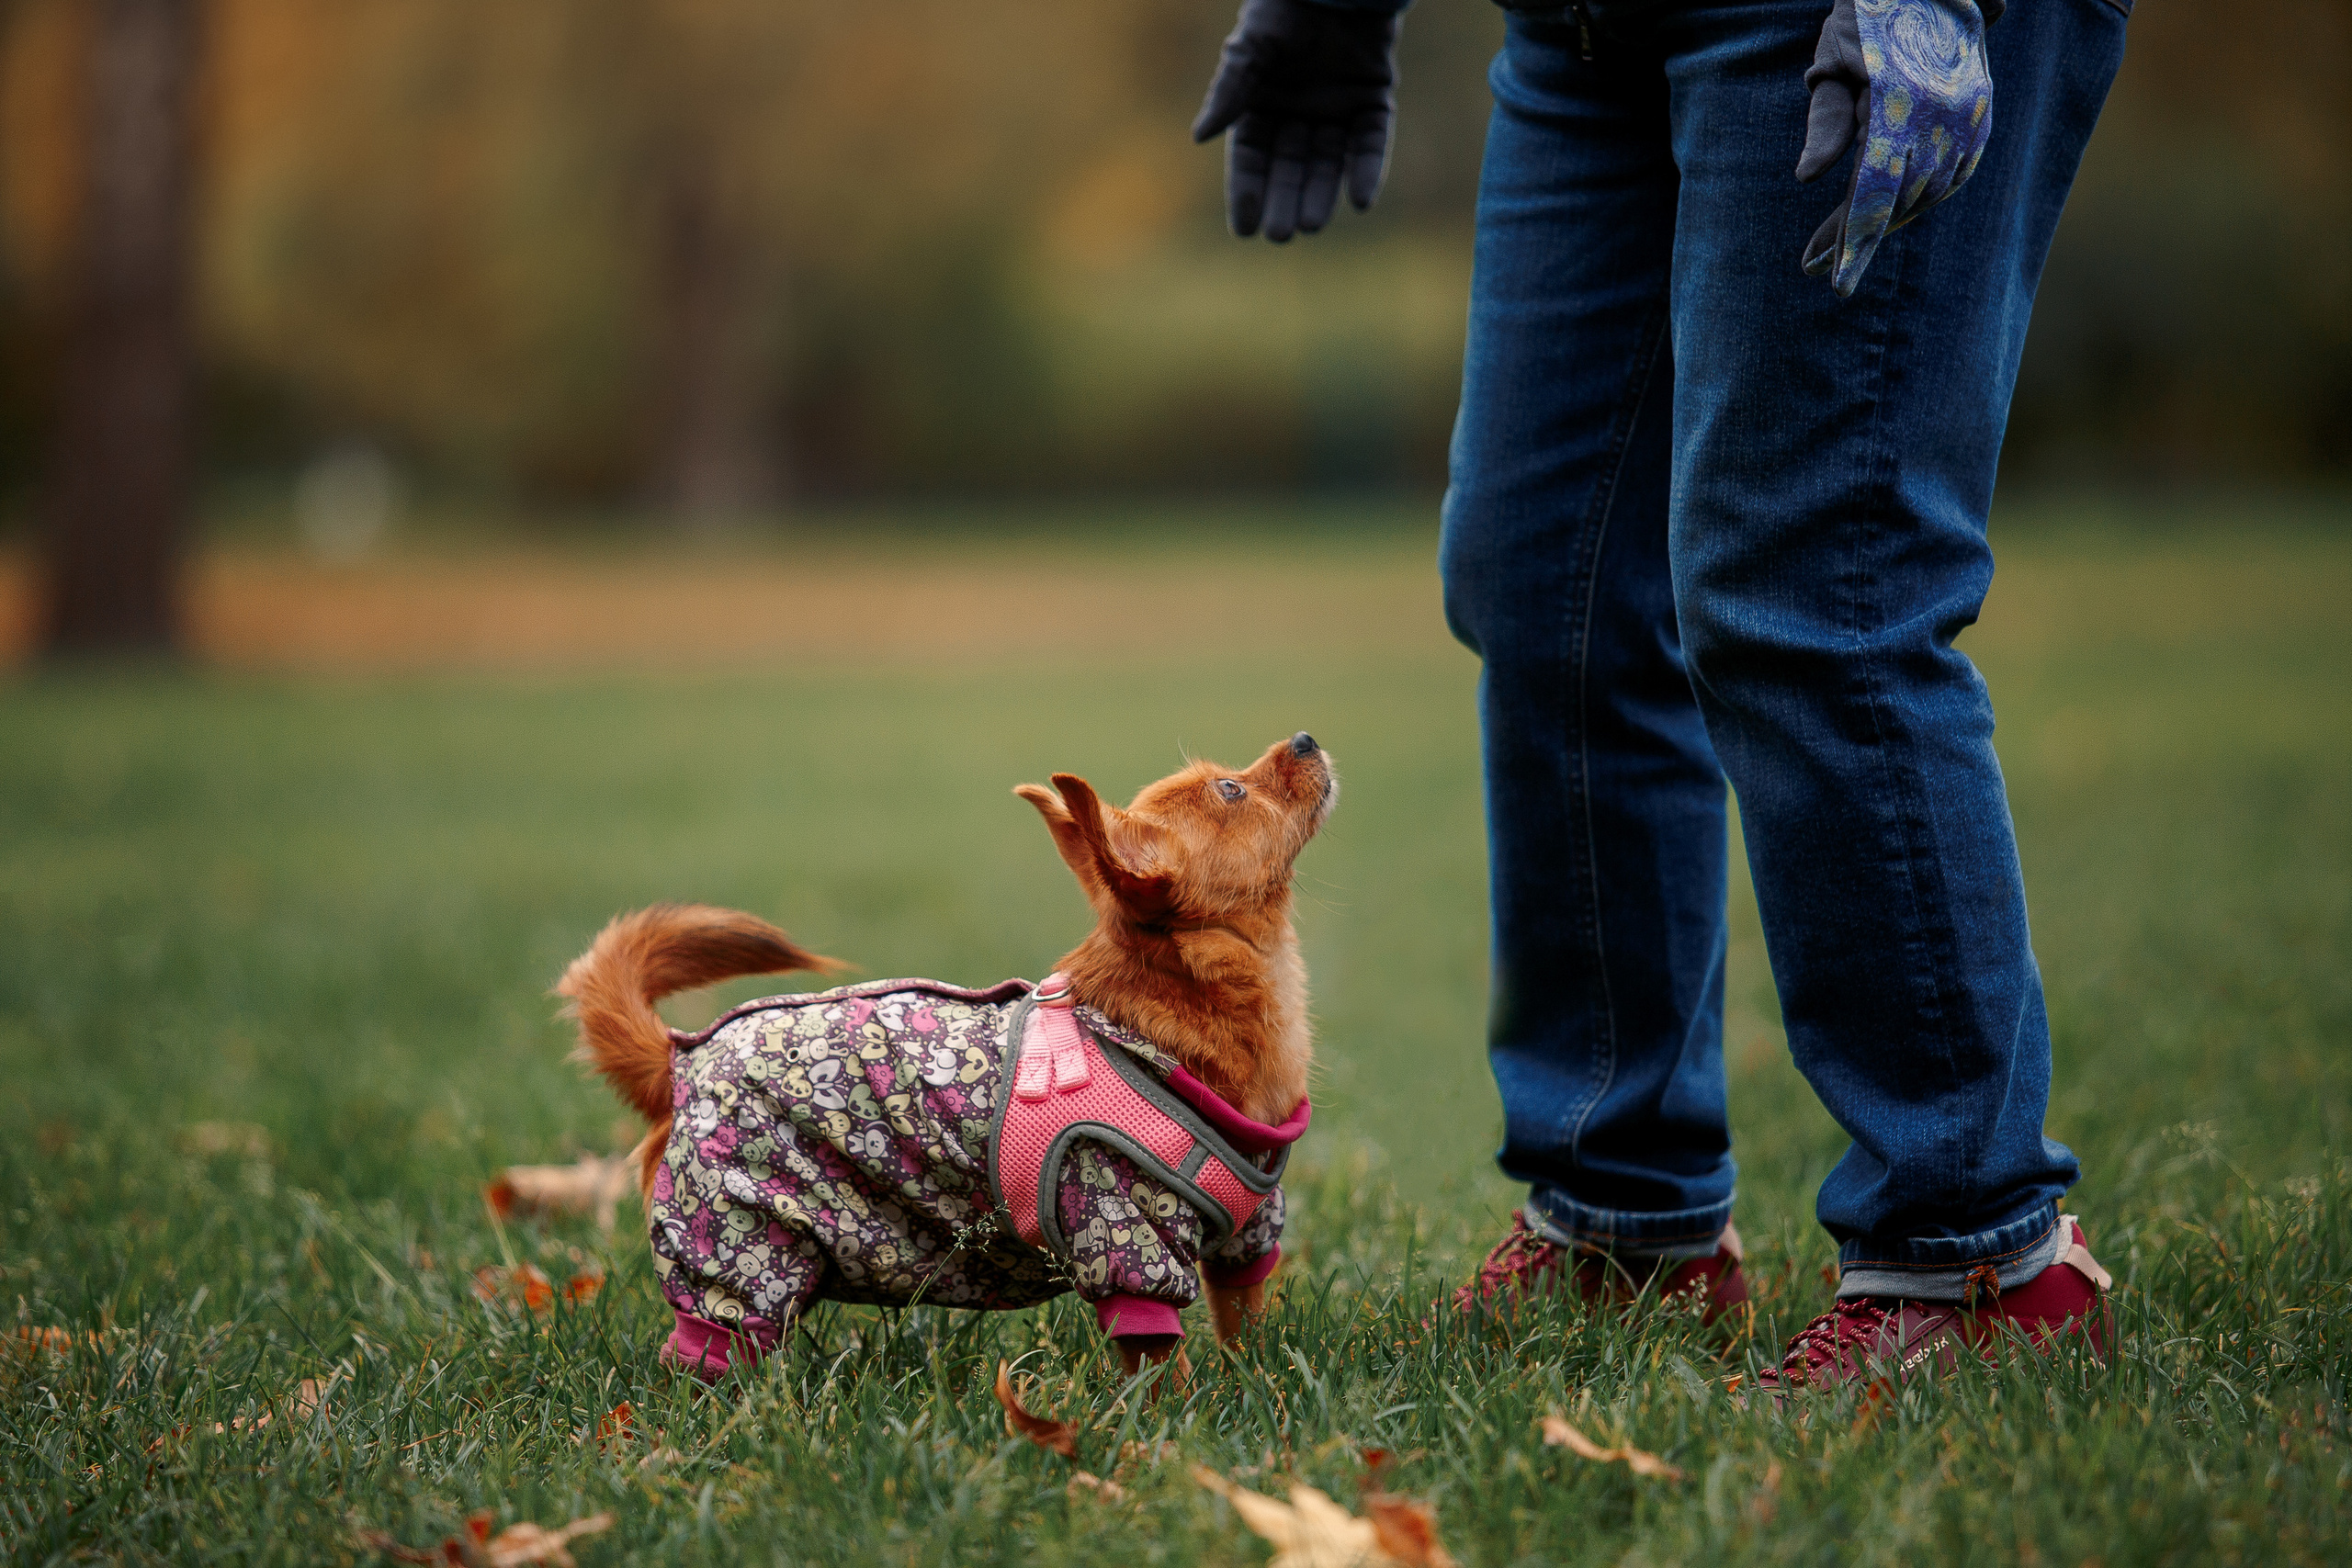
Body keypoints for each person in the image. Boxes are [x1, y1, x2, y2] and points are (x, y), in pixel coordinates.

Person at [1191, 0, 2129, 1388]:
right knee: (1546, 581)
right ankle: (1627, 1216)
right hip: (1586, 30)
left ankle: (1977, 1256)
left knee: (1819, 579)